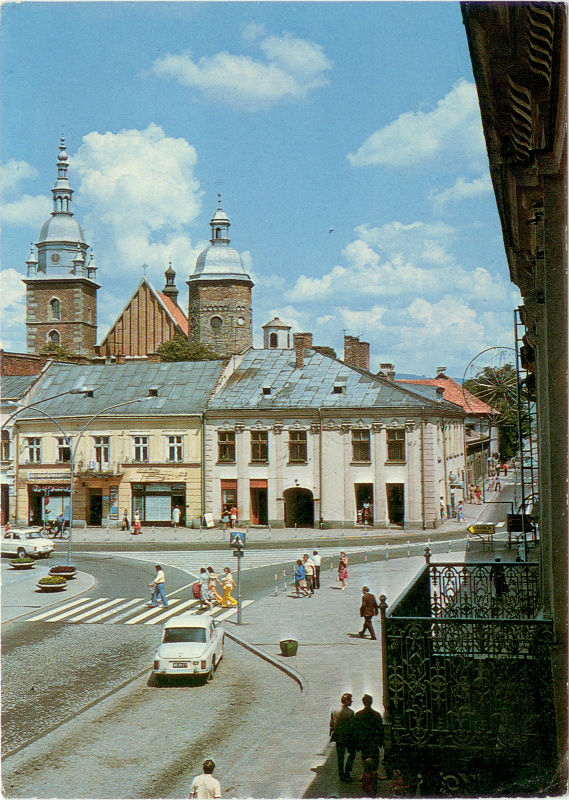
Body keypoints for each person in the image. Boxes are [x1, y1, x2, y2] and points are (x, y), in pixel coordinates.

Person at [330, 692, 356, 781]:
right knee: (352, 753)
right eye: (350, 700)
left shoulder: (334, 710)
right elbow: (352, 726)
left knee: (340, 757)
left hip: (338, 736)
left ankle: (341, 774)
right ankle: (347, 771)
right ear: (346, 701)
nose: (351, 701)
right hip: (347, 737)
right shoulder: (350, 713)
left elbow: (331, 723)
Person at [354, 694, 384, 771]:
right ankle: (373, 774)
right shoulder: (376, 714)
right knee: (375, 758)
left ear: (363, 702)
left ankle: (366, 774)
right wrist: (381, 742)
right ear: (371, 702)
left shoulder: (358, 714)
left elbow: (356, 730)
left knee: (364, 758)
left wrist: (357, 744)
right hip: (374, 741)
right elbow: (380, 729)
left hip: (363, 742)